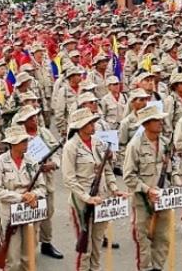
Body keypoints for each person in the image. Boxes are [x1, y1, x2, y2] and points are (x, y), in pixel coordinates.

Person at [61, 109, 125, 271]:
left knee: (97, 243)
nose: (93, 125)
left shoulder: (98, 142)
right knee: (85, 249)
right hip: (82, 203)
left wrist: (114, 188)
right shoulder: (71, 146)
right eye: (89, 123)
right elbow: (69, 179)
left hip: (101, 199)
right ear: (80, 126)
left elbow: (106, 169)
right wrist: (86, 198)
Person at [122, 106, 178, 271]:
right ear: (146, 124)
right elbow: (129, 177)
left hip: (163, 198)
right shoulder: (135, 145)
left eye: (161, 119)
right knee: (143, 238)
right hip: (143, 200)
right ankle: (145, 268)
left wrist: (179, 182)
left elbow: (174, 168)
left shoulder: (166, 144)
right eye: (156, 120)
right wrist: (147, 190)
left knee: (163, 236)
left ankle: (157, 267)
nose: (161, 122)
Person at [0, 125, 47, 271]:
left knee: (29, 258)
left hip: (30, 212)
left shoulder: (31, 161)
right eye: (22, 141)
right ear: (13, 144)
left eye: (26, 140)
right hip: (10, 214)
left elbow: (42, 187)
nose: (26, 144)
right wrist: (21, 197)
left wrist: (34, 194)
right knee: (12, 260)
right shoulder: (0, 162)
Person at [14, 104, 63, 259]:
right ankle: (27, 248)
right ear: (23, 122)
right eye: (30, 118)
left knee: (48, 211)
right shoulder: (19, 137)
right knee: (31, 214)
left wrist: (54, 164)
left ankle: (46, 243)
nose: (34, 120)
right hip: (28, 182)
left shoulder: (45, 133)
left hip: (47, 180)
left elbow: (56, 151)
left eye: (34, 116)